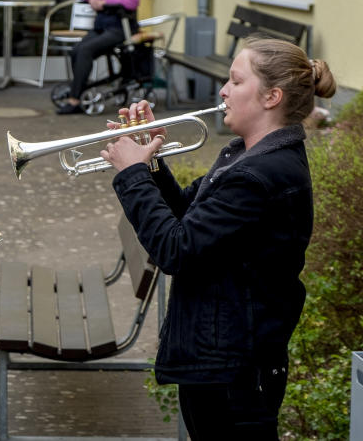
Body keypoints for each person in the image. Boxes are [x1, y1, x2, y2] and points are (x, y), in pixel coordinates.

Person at [99, 37, 337, 439]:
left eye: (235, 81)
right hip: (224, 361)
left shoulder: (258, 175)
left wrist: (132, 174)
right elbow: (187, 219)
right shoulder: (245, 157)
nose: (223, 91)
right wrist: (150, 161)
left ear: (271, 96)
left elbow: (175, 249)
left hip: (234, 371)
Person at [58, 0, 140, 114]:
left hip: (120, 27)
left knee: (86, 50)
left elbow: (132, 2)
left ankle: (74, 99)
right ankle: (82, 90)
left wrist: (106, 2)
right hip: (101, 25)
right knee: (76, 51)